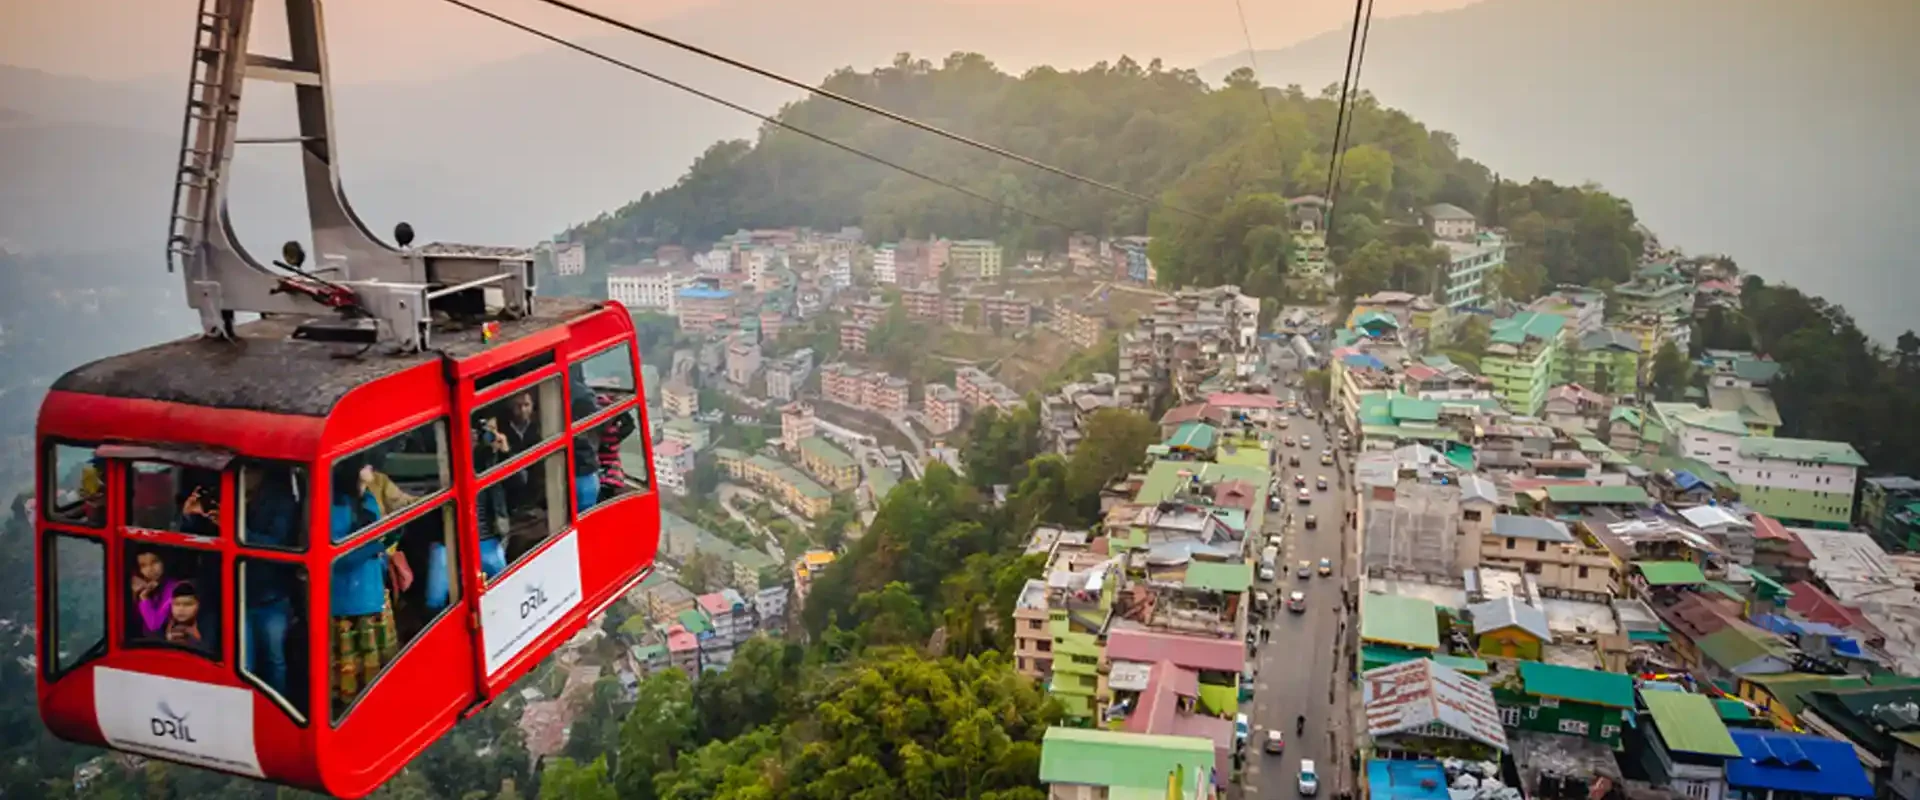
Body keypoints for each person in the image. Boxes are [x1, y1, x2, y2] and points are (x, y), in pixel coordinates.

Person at [329, 457, 399, 708]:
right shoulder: (334, 506)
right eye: (367, 465)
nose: (372, 469)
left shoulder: (369, 498)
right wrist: (377, 546)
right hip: (349, 599)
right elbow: (338, 558)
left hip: (372, 590)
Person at [242, 465, 300, 697]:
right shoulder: (226, 493)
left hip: (271, 595)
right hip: (236, 594)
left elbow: (277, 544)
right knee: (244, 663)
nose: (244, 475)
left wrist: (237, 530)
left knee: (274, 661)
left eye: (249, 470)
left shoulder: (282, 501)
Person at [129, 548, 180, 639]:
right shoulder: (142, 586)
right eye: (143, 566)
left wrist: (144, 598)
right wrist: (134, 595)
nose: (150, 569)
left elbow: (154, 625)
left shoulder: (174, 588)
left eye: (155, 562)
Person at [165, 581, 204, 646]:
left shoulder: (206, 631)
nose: (181, 609)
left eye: (188, 604)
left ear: (198, 605)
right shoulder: (161, 629)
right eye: (177, 604)